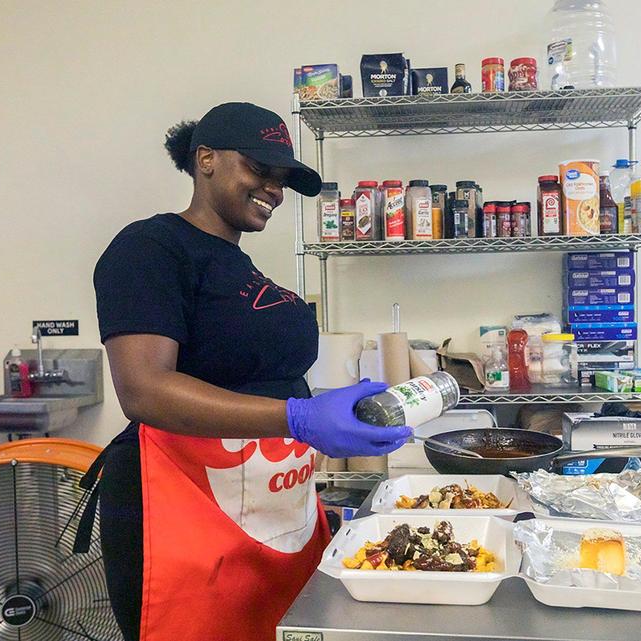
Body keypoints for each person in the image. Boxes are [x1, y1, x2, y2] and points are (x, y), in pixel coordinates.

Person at [83, 102, 412, 641]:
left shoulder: (237, 263)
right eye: (260, 170)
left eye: (281, 179)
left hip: (274, 502)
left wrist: (330, 408)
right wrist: (299, 417)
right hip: (184, 505)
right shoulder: (150, 248)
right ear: (205, 159)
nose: (275, 190)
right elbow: (143, 389)